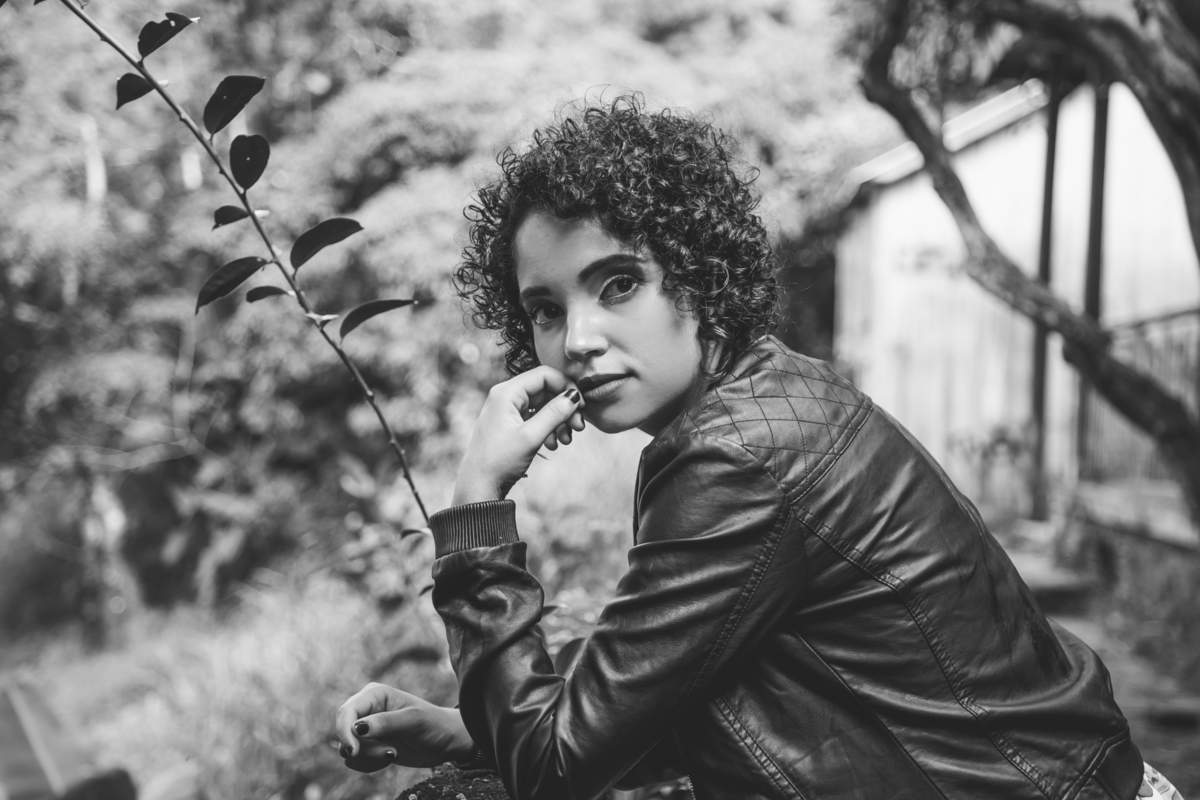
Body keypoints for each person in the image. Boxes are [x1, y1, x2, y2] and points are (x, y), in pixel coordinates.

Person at [334, 95, 1181, 800]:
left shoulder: (735, 458)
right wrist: (462, 731)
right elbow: (679, 701)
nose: (577, 339)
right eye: (547, 310)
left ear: (697, 276)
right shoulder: (766, 397)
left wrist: (477, 505)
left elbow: (556, 770)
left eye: (618, 283)